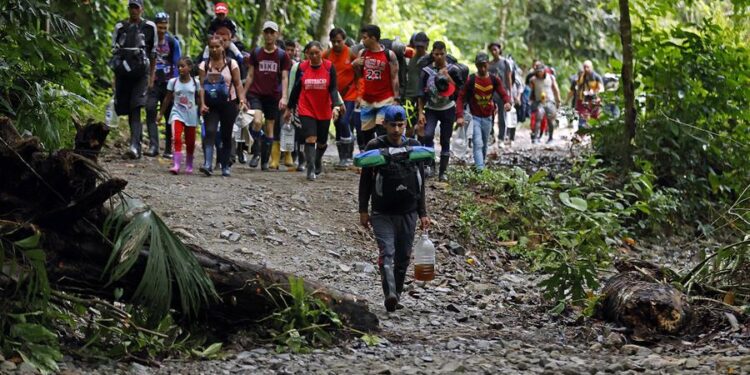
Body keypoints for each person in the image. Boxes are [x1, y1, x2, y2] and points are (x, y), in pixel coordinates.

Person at [358, 105, 430, 312]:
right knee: (387, 252)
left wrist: (423, 212)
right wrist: (363, 209)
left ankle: (396, 296)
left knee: (404, 257)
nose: (397, 130)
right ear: (384, 125)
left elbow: (421, 181)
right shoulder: (375, 145)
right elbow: (365, 181)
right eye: (392, 125)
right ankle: (389, 293)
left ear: (405, 125)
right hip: (382, 212)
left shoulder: (414, 147)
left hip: (408, 211)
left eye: (400, 125)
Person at [286, 41, 344, 181]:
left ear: (321, 52)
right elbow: (296, 89)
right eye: (311, 53)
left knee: (322, 142)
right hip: (306, 107)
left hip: (323, 108)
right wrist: (289, 107)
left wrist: (337, 104)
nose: (314, 56)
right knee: (310, 138)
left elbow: (333, 88)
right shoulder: (302, 67)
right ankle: (310, 168)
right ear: (307, 54)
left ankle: (317, 159)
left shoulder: (329, 67)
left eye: (317, 53)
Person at [110, 0, 157, 159]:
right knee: (125, 107)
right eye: (131, 7)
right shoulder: (120, 27)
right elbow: (114, 55)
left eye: (136, 7)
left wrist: (151, 78)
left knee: (136, 107)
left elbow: (153, 54)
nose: (134, 10)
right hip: (123, 74)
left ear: (142, 9)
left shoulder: (149, 27)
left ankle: (135, 145)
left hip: (141, 75)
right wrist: (114, 79)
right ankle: (136, 141)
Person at [244, 21, 291, 171]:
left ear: (277, 34)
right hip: (256, 93)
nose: (269, 35)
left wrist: (284, 97)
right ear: (263, 34)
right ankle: (256, 153)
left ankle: (264, 160)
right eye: (267, 32)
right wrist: (242, 95)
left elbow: (284, 78)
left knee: (270, 127)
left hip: (273, 95)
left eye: (272, 32)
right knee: (257, 122)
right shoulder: (256, 53)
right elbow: (250, 75)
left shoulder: (282, 56)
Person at [198, 36, 246, 177]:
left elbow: (238, 83)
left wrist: (241, 99)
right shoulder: (204, 65)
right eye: (211, 47)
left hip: (229, 104)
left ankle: (225, 165)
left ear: (223, 46)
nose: (214, 49)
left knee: (226, 134)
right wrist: (202, 103)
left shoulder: (232, 64)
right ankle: (207, 164)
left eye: (217, 46)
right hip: (210, 105)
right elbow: (201, 86)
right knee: (210, 131)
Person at [456, 52, 511, 171]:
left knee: (485, 144)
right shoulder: (471, 80)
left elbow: (502, 92)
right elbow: (460, 97)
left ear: (488, 65)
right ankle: (480, 169)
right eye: (480, 65)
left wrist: (507, 102)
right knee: (477, 142)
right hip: (474, 116)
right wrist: (459, 115)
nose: (482, 68)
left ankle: (481, 163)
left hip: (488, 117)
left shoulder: (494, 79)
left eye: (484, 65)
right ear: (476, 65)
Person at [417, 41, 460, 182]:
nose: (439, 57)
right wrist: (420, 113)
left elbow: (460, 91)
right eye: (436, 54)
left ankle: (443, 172)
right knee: (427, 135)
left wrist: (449, 78)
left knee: (445, 140)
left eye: (442, 54)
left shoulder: (453, 69)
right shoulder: (426, 71)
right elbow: (421, 95)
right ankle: (430, 165)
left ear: (446, 53)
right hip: (431, 109)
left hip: (448, 108)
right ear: (432, 54)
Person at [352, 25, 400, 147]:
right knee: (366, 134)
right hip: (367, 100)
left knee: (382, 130)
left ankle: (384, 159)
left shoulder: (389, 55)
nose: (362, 41)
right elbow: (359, 76)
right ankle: (371, 161)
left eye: (365, 38)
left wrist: (396, 98)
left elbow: (395, 77)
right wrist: (355, 65)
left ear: (373, 38)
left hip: (385, 99)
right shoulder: (362, 53)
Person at [144, 11, 181, 158]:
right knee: (150, 109)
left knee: (169, 115)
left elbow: (178, 64)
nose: (162, 30)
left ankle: (168, 149)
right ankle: (153, 145)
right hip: (153, 82)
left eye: (164, 27)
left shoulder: (172, 42)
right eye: (159, 27)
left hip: (168, 84)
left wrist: (176, 84)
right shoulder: (149, 41)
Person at [158, 57, 200, 175]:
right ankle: (176, 164)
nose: (180, 68)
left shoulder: (195, 83)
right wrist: (161, 113)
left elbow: (199, 99)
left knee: (190, 142)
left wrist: (202, 110)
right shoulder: (173, 82)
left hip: (191, 114)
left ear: (190, 68)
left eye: (183, 66)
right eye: (179, 66)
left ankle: (189, 164)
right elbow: (167, 98)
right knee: (176, 138)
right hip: (177, 113)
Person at [324, 28, 359, 169]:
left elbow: (359, 72)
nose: (336, 44)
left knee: (344, 121)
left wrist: (359, 92)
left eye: (339, 41)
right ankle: (342, 157)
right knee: (338, 123)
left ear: (344, 40)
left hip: (349, 94)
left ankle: (348, 155)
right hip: (334, 95)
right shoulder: (326, 54)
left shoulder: (350, 53)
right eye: (334, 42)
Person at [404, 32, 430, 138]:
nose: (419, 49)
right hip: (409, 97)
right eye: (417, 46)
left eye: (422, 47)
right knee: (409, 128)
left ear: (427, 45)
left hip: (424, 98)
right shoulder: (409, 57)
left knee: (422, 129)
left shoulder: (430, 59)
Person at [487, 42, 513, 145]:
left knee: (502, 116)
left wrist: (510, 94)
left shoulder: (505, 63)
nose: (494, 52)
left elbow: (509, 78)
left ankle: (501, 138)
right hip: (491, 93)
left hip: (503, 92)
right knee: (490, 114)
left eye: (495, 49)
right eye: (492, 50)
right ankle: (491, 135)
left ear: (499, 50)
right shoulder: (489, 64)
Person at [528, 64, 561, 144]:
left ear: (544, 71)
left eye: (541, 71)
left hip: (549, 100)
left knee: (550, 120)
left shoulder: (550, 78)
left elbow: (556, 89)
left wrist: (558, 100)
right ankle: (536, 137)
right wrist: (531, 99)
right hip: (539, 101)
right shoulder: (533, 80)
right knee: (538, 117)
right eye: (538, 71)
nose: (540, 73)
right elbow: (531, 90)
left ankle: (550, 138)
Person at [573, 60, 603, 129]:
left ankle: (594, 136)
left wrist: (594, 93)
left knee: (594, 119)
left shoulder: (596, 77)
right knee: (582, 119)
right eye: (584, 67)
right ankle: (580, 136)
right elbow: (577, 86)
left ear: (591, 67)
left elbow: (601, 89)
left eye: (588, 67)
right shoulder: (581, 76)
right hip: (582, 100)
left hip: (594, 101)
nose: (586, 69)